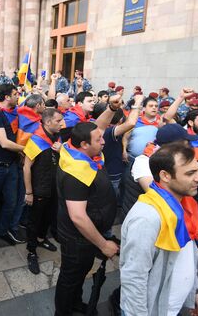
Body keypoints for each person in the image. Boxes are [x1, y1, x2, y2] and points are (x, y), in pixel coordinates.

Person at [120, 141, 198, 316]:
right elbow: (134, 278)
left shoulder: (184, 205)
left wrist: (195, 291)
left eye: (197, 170)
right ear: (165, 176)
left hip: (172, 305)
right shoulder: (147, 218)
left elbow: (185, 256)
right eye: (191, 173)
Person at [54, 122, 119, 316]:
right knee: (70, 276)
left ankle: (74, 303)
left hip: (86, 237)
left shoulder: (76, 150)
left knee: (79, 273)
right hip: (77, 239)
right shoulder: (76, 173)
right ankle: (63, 311)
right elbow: (78, 216)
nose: (103, 142)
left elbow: (96, 126)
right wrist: (103, 245)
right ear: (84, 144)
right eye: (98, 140)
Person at [0, 84, 25, 245]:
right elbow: (4, 143)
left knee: (11, 201)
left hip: (11, 164)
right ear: (7, 97)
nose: (18, 96)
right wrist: (27, 150)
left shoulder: (14, 113)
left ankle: (3, 230)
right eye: (15, 94)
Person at [23, 108, 63, 274]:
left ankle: (41, 238)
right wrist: (29, 192)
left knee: (48, 217)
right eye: (58, 121)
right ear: (47, 122)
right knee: (34, 221)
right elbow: (26, 167)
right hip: (39, 189)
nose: (62, 123)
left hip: (53, 188)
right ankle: (31, 251)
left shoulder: (57, 138)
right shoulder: (36, 140)